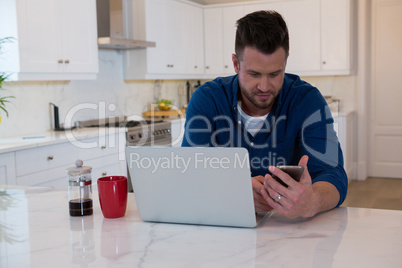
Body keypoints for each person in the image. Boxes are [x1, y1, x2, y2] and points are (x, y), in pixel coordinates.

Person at [182, 10, 348, 218]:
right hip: (223, 227)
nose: (264, 86)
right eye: (253, 74)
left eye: (274, 74)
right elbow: (190, 173)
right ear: (236, 64)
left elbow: (334, 175)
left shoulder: (308, 101)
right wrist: (234, 190)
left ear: (285, 63)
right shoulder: (207, 99)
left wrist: (313, 201)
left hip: (289, 231)